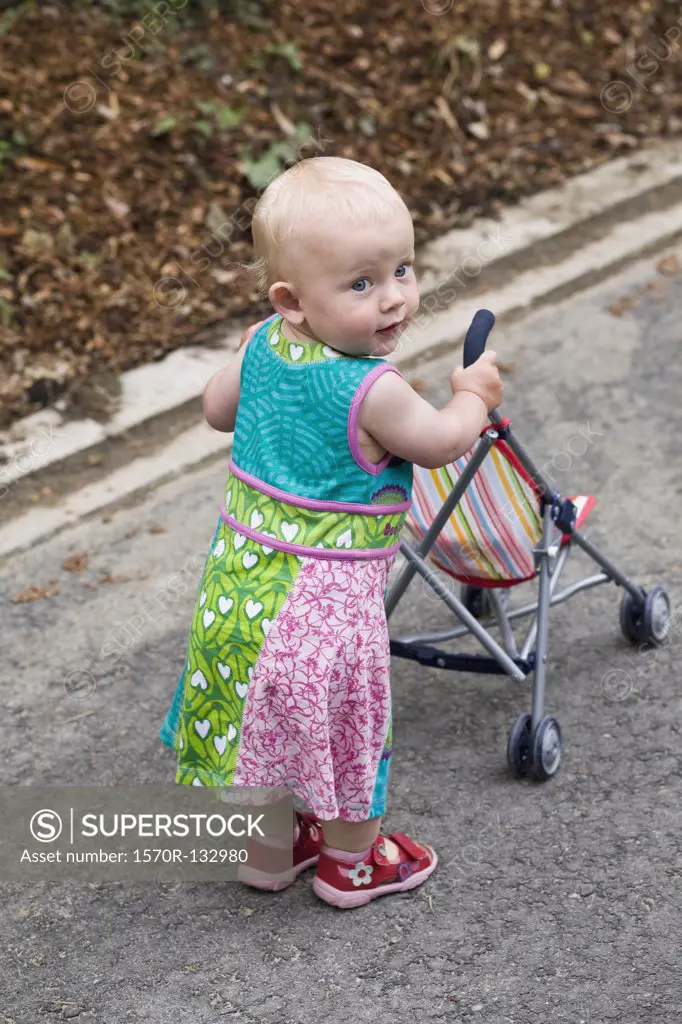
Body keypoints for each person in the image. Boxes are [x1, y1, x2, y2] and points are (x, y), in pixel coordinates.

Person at [159, 156, 503, 909]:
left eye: (403, 271)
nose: (393, 300)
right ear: (292, 298)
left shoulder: (262, 341)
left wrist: (257, 361)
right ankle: (353, 863)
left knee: (257, 722)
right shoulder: (372, 390)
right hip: (326, 616)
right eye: (361, 284)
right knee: (349, 733)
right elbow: (443, 442)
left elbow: (217, 411)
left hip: (238, 597)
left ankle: (268, 855)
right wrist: (473, 395)